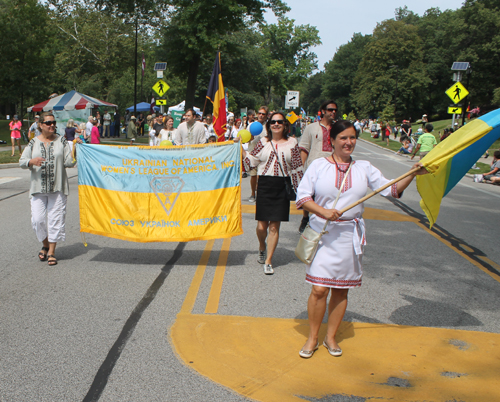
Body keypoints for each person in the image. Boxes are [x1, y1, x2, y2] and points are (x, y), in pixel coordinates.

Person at [296, 120, 427, 358]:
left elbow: (392, 190)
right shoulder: (317, 166)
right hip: (324, 234)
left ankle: (331, 337)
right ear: (332, 141)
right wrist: (323, 212)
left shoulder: (364, 167)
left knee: (341, 290)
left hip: (349, 236)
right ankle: (312, 337)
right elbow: (303, 197)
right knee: (318, 289)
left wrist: (414, 173)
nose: (348, 142)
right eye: (343, 138)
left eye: (352, 138)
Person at [242, 111, 304, 275]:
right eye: (273, 122)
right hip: (265, 184)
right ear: (269, 125)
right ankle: (262, 246)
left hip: (281, 185)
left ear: (285, 125)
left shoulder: (292, 142)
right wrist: (239, 149)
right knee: (262, 226)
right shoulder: (263, 141)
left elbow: (297, 167)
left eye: (280, 122)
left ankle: (268, 261)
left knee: (275, 226)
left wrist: (302, 193)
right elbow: (252, 160)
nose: (276, 124)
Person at [19, 112, 79, 266]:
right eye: (48, 123)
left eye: (53, 122)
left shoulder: (62, 141)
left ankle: (51, 251)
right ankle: (45, 244)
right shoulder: (33, 142)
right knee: (37, 220)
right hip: (38, 187)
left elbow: (69, 163)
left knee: (55, 220)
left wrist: (75, 149)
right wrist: (31, 161)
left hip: (57, 187)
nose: (52, 125)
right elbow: (22, 161)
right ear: (40, 125)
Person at [298, 100, 338, 234]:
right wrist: (301, 170)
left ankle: (323, 221)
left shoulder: (337, 128)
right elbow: (304, 149)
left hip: (332, 168)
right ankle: (305, 218)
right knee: (309, 195)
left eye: (335, 110)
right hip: (313, 167)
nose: (333, 112)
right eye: (330, 109)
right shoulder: (311, 127)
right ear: (324, 111)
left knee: (328, 195)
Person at [247, 106, 269, 202]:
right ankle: (253, 194)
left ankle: (260, 193)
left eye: (263, 114)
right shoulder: (251, 125)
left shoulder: (268, 126)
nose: (260, 115)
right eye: (259, 113)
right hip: (253, 153)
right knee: (253, 175)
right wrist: (251, 135)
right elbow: (247, 139)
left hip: (264, 153)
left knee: (261, 175)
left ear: (266, 115)